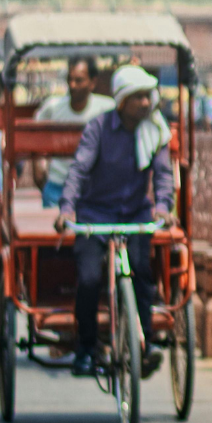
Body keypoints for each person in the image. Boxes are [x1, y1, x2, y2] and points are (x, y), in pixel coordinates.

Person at [54, 65, 174, 378]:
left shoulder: (155, 128)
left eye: (148, 97)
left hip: (135, 214)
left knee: (143, 273)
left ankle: (143, 345)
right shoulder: (98, 128)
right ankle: (85, 347)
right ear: (122, 101)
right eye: (139, 99)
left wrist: (163, 206)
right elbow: (79, 170)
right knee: (90, 278)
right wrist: (67, 209)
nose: (146, 104)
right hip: (95, 214)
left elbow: (163, 174)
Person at [36, 57, 114, 207]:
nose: (72, 85)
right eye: (70, 80)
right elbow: (35, 135)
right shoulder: (52, 107)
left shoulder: (107, 109)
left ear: (93, 82)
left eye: (79, 80)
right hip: (58, 186)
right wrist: (38, 165)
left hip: (94, 190)